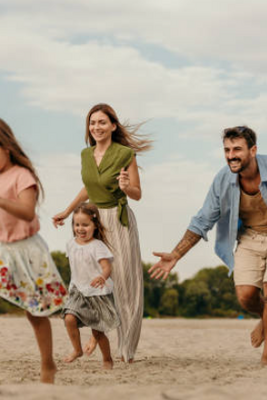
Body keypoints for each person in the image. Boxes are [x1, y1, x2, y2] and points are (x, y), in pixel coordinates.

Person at [149, 126, 267, 366]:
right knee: (246, 296)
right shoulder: (223, 180)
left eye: (237, 149)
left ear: (253, 150)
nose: (231, 155)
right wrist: (176, 254)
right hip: (249, 237)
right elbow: (203, 219)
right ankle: (266, 316)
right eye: (227, 150)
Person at [0, 117, 68, 384]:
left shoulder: (23, 176)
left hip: (27, 249)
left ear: (6, 146)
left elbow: (26, 212)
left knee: (34, 312)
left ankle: (48, 364)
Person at [52, 103, 151, 363]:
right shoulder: (86, 155)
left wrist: (126, 187)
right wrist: (67, 211)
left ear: (113, 126)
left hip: (118, 221)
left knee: (124, 283)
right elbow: (88, 187)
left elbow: (137, 194)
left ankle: (126, 351)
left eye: (102, 122)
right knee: (95, 280)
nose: (96, 127)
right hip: (94, 221)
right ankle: (98, 333)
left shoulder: (125, 154)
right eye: (92, 123)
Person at [61, 203, 121, 369]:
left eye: (85, 225)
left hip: (97, 293)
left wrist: (102, 277)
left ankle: (107, 358)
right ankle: (77, 349)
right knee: (69, 318)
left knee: (97, 331)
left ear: (95, 226)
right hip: (78, 291)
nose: (80, 228)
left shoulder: (98, 246)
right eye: (77, 224)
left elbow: (107, 267)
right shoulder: (71, 244)